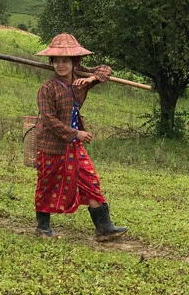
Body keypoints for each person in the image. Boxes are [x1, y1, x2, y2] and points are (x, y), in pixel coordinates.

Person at [32, 33, 128, 241]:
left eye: (65, 61)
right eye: (56, 61)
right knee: (47, 183)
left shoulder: (81, 82)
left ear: (75, 62)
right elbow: (48, 119)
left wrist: (92, 78)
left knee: (89, 179)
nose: (60, 65)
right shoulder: (47, 88)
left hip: (74, 145)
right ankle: (43, 227)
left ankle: (104, 228)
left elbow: (106, 70)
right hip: (52, 145)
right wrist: (76, 133)